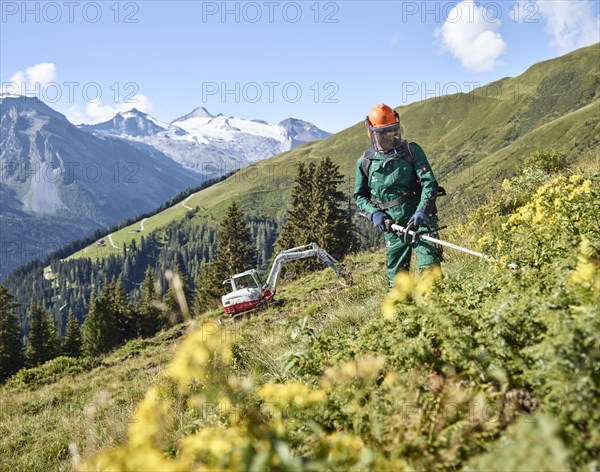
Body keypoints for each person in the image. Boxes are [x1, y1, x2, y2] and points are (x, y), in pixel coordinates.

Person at [353, 103, 443, 288]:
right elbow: (360, 196)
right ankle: (402, 315)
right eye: (383, 133)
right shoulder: (365, 162)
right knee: (397, 282)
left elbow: (429, 182)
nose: (389, 136)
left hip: (420, 222)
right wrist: (375, 213)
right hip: (392, 227)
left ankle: (438, 312)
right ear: (372, 133)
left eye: (393, 131)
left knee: (430, 271)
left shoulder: (411, 151)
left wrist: (422, 212)